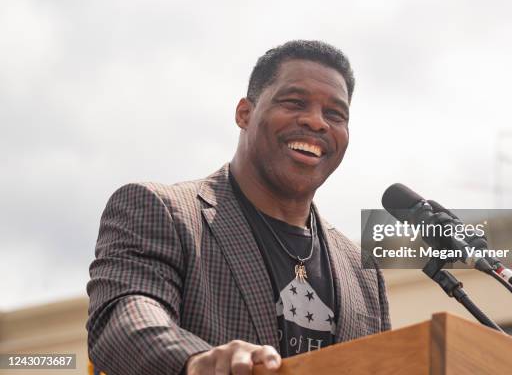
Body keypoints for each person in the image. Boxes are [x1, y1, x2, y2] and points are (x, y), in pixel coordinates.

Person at [87, 40, 391, 375]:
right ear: (244, 113)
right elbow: (125, 314)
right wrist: (196, 360)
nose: (317, 122)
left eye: (335, 114)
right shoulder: (162, 210)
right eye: (294, 103)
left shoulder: (363, 271)